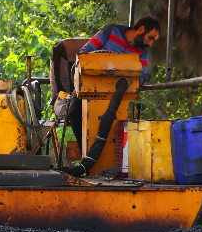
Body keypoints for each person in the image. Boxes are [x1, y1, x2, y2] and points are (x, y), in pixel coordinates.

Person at [67, 16, 162, 154]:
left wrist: (123, 72)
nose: (151, 44)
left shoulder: (143, 50)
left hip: (118, 95)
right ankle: (85, 155)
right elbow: (84, 53)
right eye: (150, 38)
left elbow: (143, 77)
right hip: (91, 87)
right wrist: (107, 64)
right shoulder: (110, 31)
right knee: (74, 112)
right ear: (141, 30)